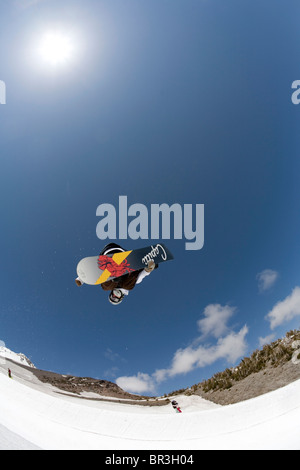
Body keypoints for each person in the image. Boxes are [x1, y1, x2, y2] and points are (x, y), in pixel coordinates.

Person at [76, 243, 157, 305]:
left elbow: (92, 271)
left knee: (105, 287)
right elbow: (142, 275)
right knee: (129, 285)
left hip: (108, 256)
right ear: (121, 297)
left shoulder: (108, 286)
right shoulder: (129, 285)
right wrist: (148, 269)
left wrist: (81, 279)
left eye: (112, 297)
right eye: (116, 298)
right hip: (123, 259)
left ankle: (113, 274)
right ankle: (144, 262)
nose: (115, 296)